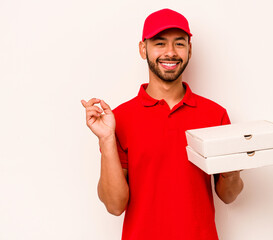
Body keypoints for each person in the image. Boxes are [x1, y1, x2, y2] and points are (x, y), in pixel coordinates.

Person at [81, 8, 243, 240]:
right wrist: (106, 139)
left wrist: (234, 169)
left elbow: (228, 195)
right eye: (159, 43)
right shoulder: (120, 118)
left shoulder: (215, 115)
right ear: (142, 48)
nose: (170, 52)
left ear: (189, 50)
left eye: (179, 43)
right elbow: (114, 206)